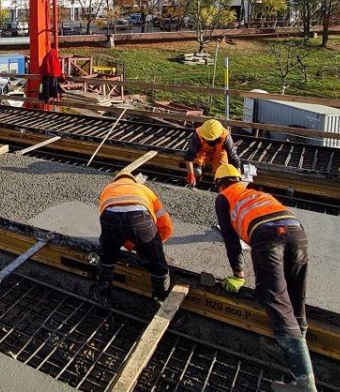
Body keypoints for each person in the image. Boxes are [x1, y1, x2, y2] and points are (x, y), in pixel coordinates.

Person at [213, 164, 317, 392]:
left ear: (219, 184)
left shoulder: (223, 197)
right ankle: (296, 348)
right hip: (297, 231)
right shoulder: (257, 193)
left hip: (266, 235)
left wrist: (238, 274)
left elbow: (231, 240)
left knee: (276, 299)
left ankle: (304, 383)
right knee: (295, 295)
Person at [93, 171, 174, 304]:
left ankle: (103, 294)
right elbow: (165, 223)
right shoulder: (143, 189)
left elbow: (114, 225)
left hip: (110, 217)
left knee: (107, 256)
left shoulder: (108, 189)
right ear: (133, 180)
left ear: (116, 180)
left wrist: (129, 245)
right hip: (139, 218)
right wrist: (153, 246)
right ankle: (160, 298)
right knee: (157, 263)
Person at [185, 118, 241, 188]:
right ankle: (195, 183)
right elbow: (189, 156)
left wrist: (238, 179)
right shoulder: (198, 134)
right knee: (196, 171)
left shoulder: (226, 137)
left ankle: (219, 188)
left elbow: (234, 158)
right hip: (203, 152)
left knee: (222, 173)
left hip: (219, 153)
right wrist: (191, 174)